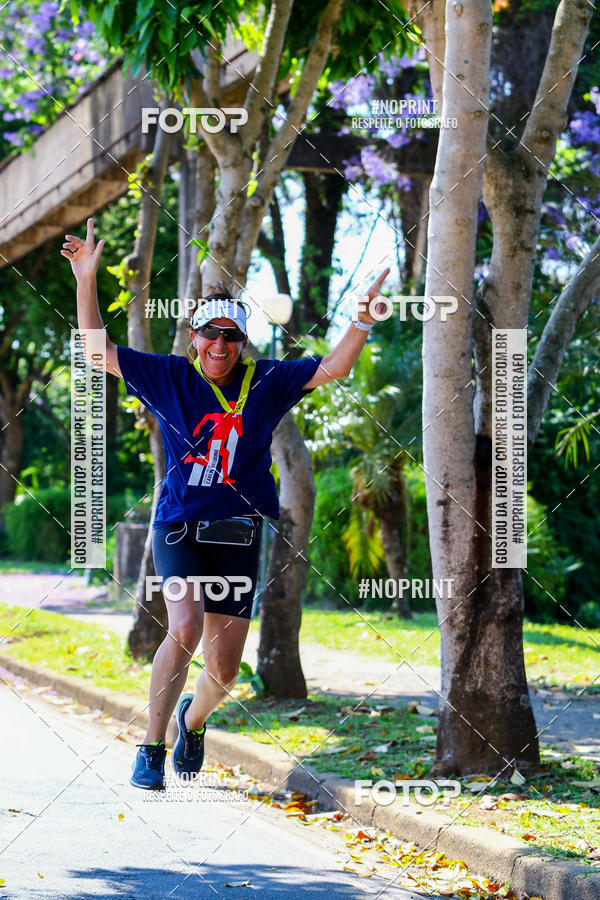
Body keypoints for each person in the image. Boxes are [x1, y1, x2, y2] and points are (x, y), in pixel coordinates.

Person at [62, 217, 390, 790]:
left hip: (238, 532)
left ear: (242, 343)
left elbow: (335, 367)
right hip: (179, 527)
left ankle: (194, 721)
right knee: (183, 626)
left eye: (230, 337)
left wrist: (360, 320)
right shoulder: (167, 376)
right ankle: (151, 746)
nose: (219, 345)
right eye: (209, 334)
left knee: (224, 670)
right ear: (193, 338)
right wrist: (86, 278)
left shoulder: (266, 379)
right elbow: (97, 351)